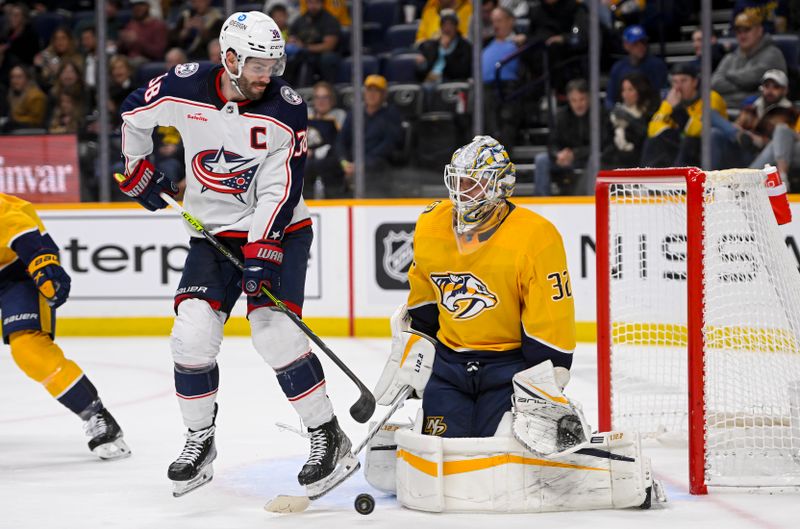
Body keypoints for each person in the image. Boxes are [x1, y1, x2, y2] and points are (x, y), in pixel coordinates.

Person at [115, 11, 356, 498]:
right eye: (258, 65)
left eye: (274, 63)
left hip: (281, 230)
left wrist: (263, 250)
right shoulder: (187, 85)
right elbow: (133, 112)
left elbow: (281, 187)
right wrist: (134, 167)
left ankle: (328, 435)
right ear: (229, 58)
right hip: (211, 233)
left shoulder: (286, 108)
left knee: (273, 333)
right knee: (191, 336)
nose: (268, 74)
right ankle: (199, 442)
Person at [374, 135, 576, 439]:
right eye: (457, 182)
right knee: (439, 452)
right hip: (449, 366)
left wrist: (546, 378)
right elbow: (424, 305)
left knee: (498, 448)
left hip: (508, 367)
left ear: (500, 186)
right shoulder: (432, 224)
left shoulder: (536, 236)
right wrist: (413, 353)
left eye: (473, 183)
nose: (461, 192)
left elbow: (549, 320)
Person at [0, 193, 130, 460]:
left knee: (29, 349)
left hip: (16, 268)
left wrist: (41, 261)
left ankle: (95, 414)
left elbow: (17, 225)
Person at [642, 62, 727, 167]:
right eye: (675, 82)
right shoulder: (672, 100)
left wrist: (677, 109)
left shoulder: (710, 98)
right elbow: (653, 130)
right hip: (684, 147)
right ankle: (648, 178)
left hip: (710, 147)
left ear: (695, 82)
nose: (678, 87)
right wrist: (669, 107)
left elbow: (700, 131)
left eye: (683, 81)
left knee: (688, 141)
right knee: (655, 141)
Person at [711, 68, 796, 170]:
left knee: (725, 128)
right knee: (714, 131)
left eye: (776, 87)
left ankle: (736, 134)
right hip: (742, 149)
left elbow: (781, 141)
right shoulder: (752, 106)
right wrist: (741, 134)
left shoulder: (790, 111)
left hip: (763, 156)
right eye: (766, 86)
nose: (770, 90)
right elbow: (738, 125)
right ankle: (709, 179)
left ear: (785, 90)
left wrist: (754, 138)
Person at [535, 78, 605, 195]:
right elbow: (552, 143)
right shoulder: (561, 116)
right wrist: (558, 154)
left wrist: (575, 154)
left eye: (582, 99)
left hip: (587, 158)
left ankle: (590, 197)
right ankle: (542, 200)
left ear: (588, 98)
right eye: (574, 100)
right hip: (566, 159)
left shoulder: (598, 115)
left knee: (596, 158)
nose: (578, 104)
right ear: (569, 100)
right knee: (541, 160)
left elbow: (601, 144)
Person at [338, 75, 403, 195]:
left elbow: (389, 144)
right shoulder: (354, 113)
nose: (372, 94)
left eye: (376, 91)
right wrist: (344, 162)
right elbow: (341, 140)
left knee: (378, 166)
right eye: (369, 90)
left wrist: (364, 163)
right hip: (352, 163)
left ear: (384, 94)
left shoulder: (391, 115)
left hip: (376, 163)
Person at [711, 11, 787, 109]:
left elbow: (754, 80)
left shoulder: (773, 54)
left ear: (759, 30)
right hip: (727, 112)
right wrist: (748, 88)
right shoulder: (730, 57)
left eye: (747, 30)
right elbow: (715, 83)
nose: (742, 35)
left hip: (763, 115)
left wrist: (728, 74)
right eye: (738, 31)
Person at [601, 71, 658, 169]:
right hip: (614, 164)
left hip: (640, 165)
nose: (625, 94)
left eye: (630, 89)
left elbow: (647, 138)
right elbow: (605, 142)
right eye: (623, 90)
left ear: (640, 90)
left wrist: (630, 119)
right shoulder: (615, 114)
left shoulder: (651, 113)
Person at [604, 24, 667, 110]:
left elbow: (661, 95)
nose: (640, 46)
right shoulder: (618, 68)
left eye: (643, 42)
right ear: (626, 45)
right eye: (635, 43)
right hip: (624, 112)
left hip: (650, 112)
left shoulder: (657, 65)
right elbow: (610, 99)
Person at [284, 0, 342, 86]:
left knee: (327, 58)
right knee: (287, 58)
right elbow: (292, 37)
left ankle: (328, 88)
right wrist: (292, 41)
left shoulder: (330, 21)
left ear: (322, 4)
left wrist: (304, 47)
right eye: (310, 2)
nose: (313, 6)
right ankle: (288, 88)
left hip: (322, 55)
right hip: (303, 53)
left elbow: (328, 46)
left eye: (316, 3)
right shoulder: (300, 20)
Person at [415, 9, 472, 84]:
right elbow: (421, 72)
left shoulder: (465, 47)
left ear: (456, 26)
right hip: (430, 81)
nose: (447, 28)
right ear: (441, 27)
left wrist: (447, 51)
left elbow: (461, 72)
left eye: (451, 24)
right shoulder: (431, 45)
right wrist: (421, 65)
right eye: (444, 25)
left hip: (451, 83)